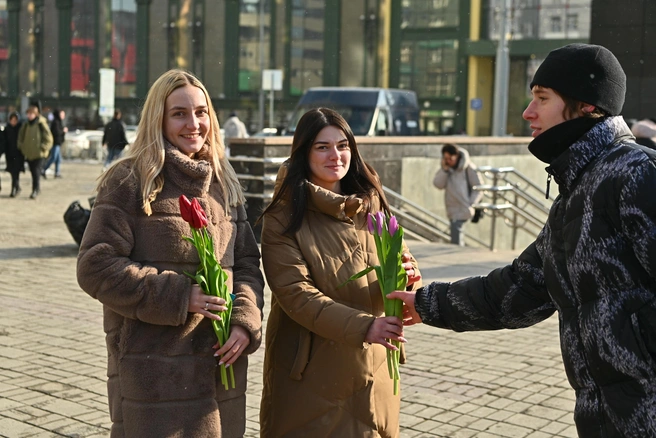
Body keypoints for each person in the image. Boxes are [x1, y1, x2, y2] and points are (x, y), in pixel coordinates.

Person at [388, 44, 656, 437]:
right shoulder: (575, 192)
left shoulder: (637, 174)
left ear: (586, 106)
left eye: (542, 99)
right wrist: (427, 304)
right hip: (605, 422)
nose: (528, 113)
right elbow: (520, 291)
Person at [76, 69, 265, 437]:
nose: (193, 123)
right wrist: (180, 296)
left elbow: (246, 264)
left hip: (219, 368)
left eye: (201, 111)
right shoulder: (131, 180)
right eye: (179, 113)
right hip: (154, 375)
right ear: (157, 119)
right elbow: (94, 266)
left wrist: (244, 321)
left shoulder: (223, 182)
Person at [259, 107, 422, 437]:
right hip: (313, 373)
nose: (336, 155)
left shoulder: (370, 201)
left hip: (377, 365)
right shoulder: (283, 215)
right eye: (322, 147)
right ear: (304, 153)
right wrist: (366, 327)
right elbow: (296, 296)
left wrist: (412, 284)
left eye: (343, 145)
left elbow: (403, 255)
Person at [432, 143, 483, 246]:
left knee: (457, 237)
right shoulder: (447, 169)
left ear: (457, 156)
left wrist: (471, 203)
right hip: (452, 209)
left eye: (450, 158)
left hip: (464, 208)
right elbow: (438, 184)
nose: (448, 161)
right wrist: (444, 170)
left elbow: (479, 188)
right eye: (445, 158)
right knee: (456, 237)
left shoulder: (468, 168)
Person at [17, 102, 53, 199]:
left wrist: (42, 148)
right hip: (29, 153)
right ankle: (36, 189)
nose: (29, 115)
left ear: (36, 114)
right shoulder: (26, 125)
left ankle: (35, 190)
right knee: (33, 172)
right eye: (28, 113)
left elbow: (49, 139)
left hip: (39, 154)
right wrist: (22, 147)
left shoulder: (41, 124)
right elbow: (20, 137)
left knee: (36, 172)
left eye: (31, 113)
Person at [3, 112, 24, 197]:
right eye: (12, 120)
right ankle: (17, 187)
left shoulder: (21, 128)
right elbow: (4, 142)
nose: (13, 122)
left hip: (18, 154)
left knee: (16, 172)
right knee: (12, 172)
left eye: (15, 120)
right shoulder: (7, 129)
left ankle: (14, 189)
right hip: (9, 154)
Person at [42, 109, 67, 178]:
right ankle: (43, 169)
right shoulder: (56, 122)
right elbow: (56, 132)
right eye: (62, 114)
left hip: (58, 143)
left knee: (58, 159)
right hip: (55, 143)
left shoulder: (59, 122)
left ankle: (57, 173)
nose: (63, 116)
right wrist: (63, 131)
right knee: (53, 157)